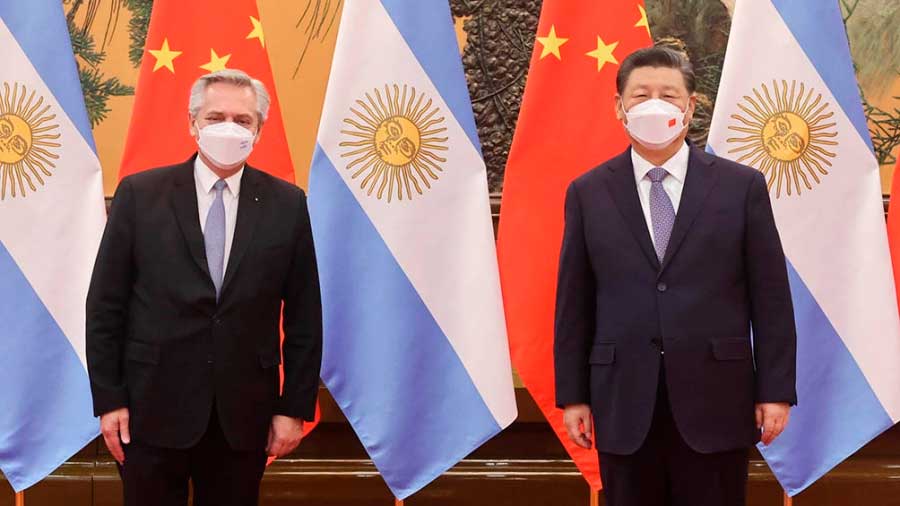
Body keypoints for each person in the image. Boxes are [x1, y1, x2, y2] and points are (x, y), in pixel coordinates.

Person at [554, 47, 797, 506]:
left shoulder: (740, 187)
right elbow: (574, 303)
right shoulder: (588, 192)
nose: (654, 104)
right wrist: (573, 396)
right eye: (640, 94)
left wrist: (776, 391)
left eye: (668, 95)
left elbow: (771, 298)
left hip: (717, 398)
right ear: (619, 107)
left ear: (690, 106)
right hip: (623, 399)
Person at [86, 69, 322, 506]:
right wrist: (109, 399)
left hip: (243, 415)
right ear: (193, 123)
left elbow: (305, 317)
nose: (229, 128)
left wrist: (293, 408)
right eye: (215, 117)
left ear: (259, 130)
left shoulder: (288, 205)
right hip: (149, 410)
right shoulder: (140, 195)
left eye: (242, 119)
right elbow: (105, 306)